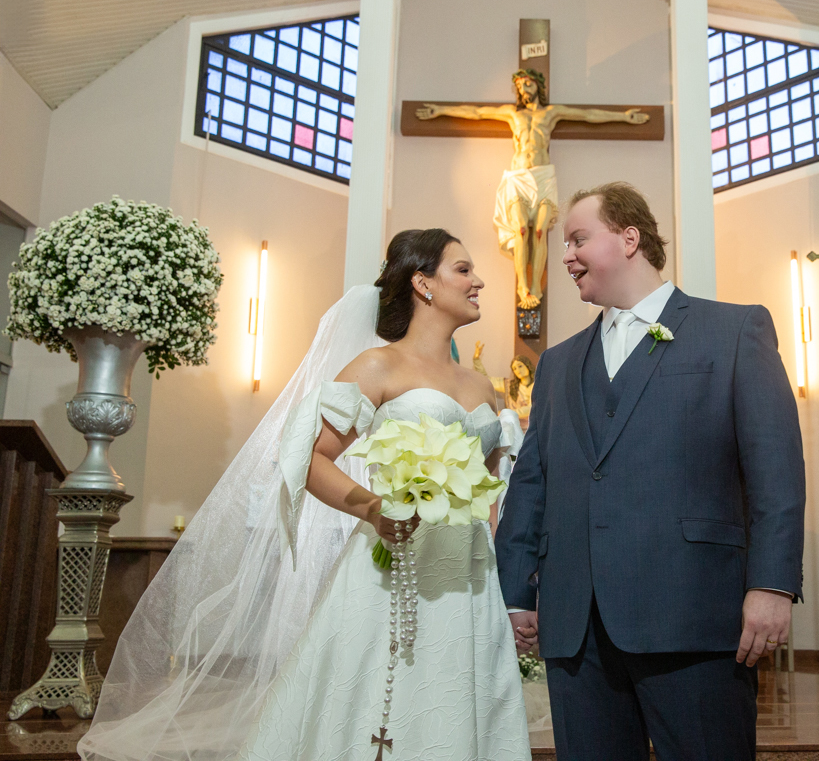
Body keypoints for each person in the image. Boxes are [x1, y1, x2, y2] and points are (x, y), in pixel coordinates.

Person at [78, 230, 531, 761]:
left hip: (470, 572)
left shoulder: (481, 386)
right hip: (397, 563)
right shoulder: (377, 366)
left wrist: (507, 581)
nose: (478, 282)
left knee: (459, 698)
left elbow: (490, 492)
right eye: (463, 269)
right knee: (382, 701)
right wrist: (374, 508)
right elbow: (310, 458)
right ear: (422, 283)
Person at [495, 182, 806, 761]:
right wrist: (516, 593)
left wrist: (772, 584)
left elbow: (776, 471)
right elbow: (532, 483)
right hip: (577, 628)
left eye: (578, 239)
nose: (566, 256)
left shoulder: (734, 331)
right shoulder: (558, 363)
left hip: (694, 614)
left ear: (629, 238)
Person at [416, 69, 649, 309]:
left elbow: (588, 115)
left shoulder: (550, 113)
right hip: (519, 177)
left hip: (542, 178)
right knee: (520, 231)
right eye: (519, 86)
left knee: (539, 232)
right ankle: (522, 287)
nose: (523, 90)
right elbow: (477, 112)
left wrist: (624, 117)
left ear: (538, 86)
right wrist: (439, 110)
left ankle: (536, 285)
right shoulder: (512, 114)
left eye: (527, 84)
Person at [473, 342, 536, 429]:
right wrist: (476, 359)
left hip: (531, 428)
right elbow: (486, 379)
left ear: (528, 366)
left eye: (520, 366)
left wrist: (507, 413)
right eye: (514, 368)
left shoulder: (537, 385)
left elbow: (532, 408)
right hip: (512, 428)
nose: (518, 370)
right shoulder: (509, 385)